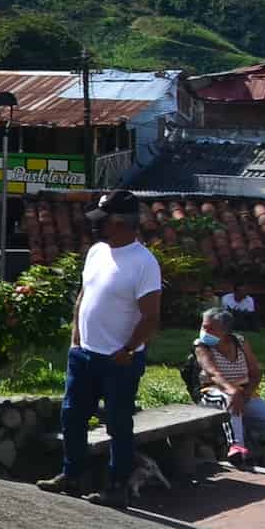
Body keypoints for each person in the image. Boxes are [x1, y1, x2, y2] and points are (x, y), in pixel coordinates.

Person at [40, 189, 161, 508]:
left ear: (121, 222)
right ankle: (72, 475)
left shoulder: (144, 263)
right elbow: (84, 295)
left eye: (104, 221)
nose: (98, 226)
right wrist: (75, 336)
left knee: (119, 424)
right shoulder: (96, 251)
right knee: (72, 416)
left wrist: (128, 349)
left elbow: (151, 316)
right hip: (83, 354)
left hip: (119, 360)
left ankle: (116, 486)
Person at [194, 306, 265, 472]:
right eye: (204, 326)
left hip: (243, 393)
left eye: (210, 328)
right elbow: (213, 374)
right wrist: (232, 391)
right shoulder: (201, 346)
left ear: (225, 331)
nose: (205, 331)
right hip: (213, 392)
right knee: (230, 400)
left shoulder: (239, 342)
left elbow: (255, 372)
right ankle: (236, 448)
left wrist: (246, 393)